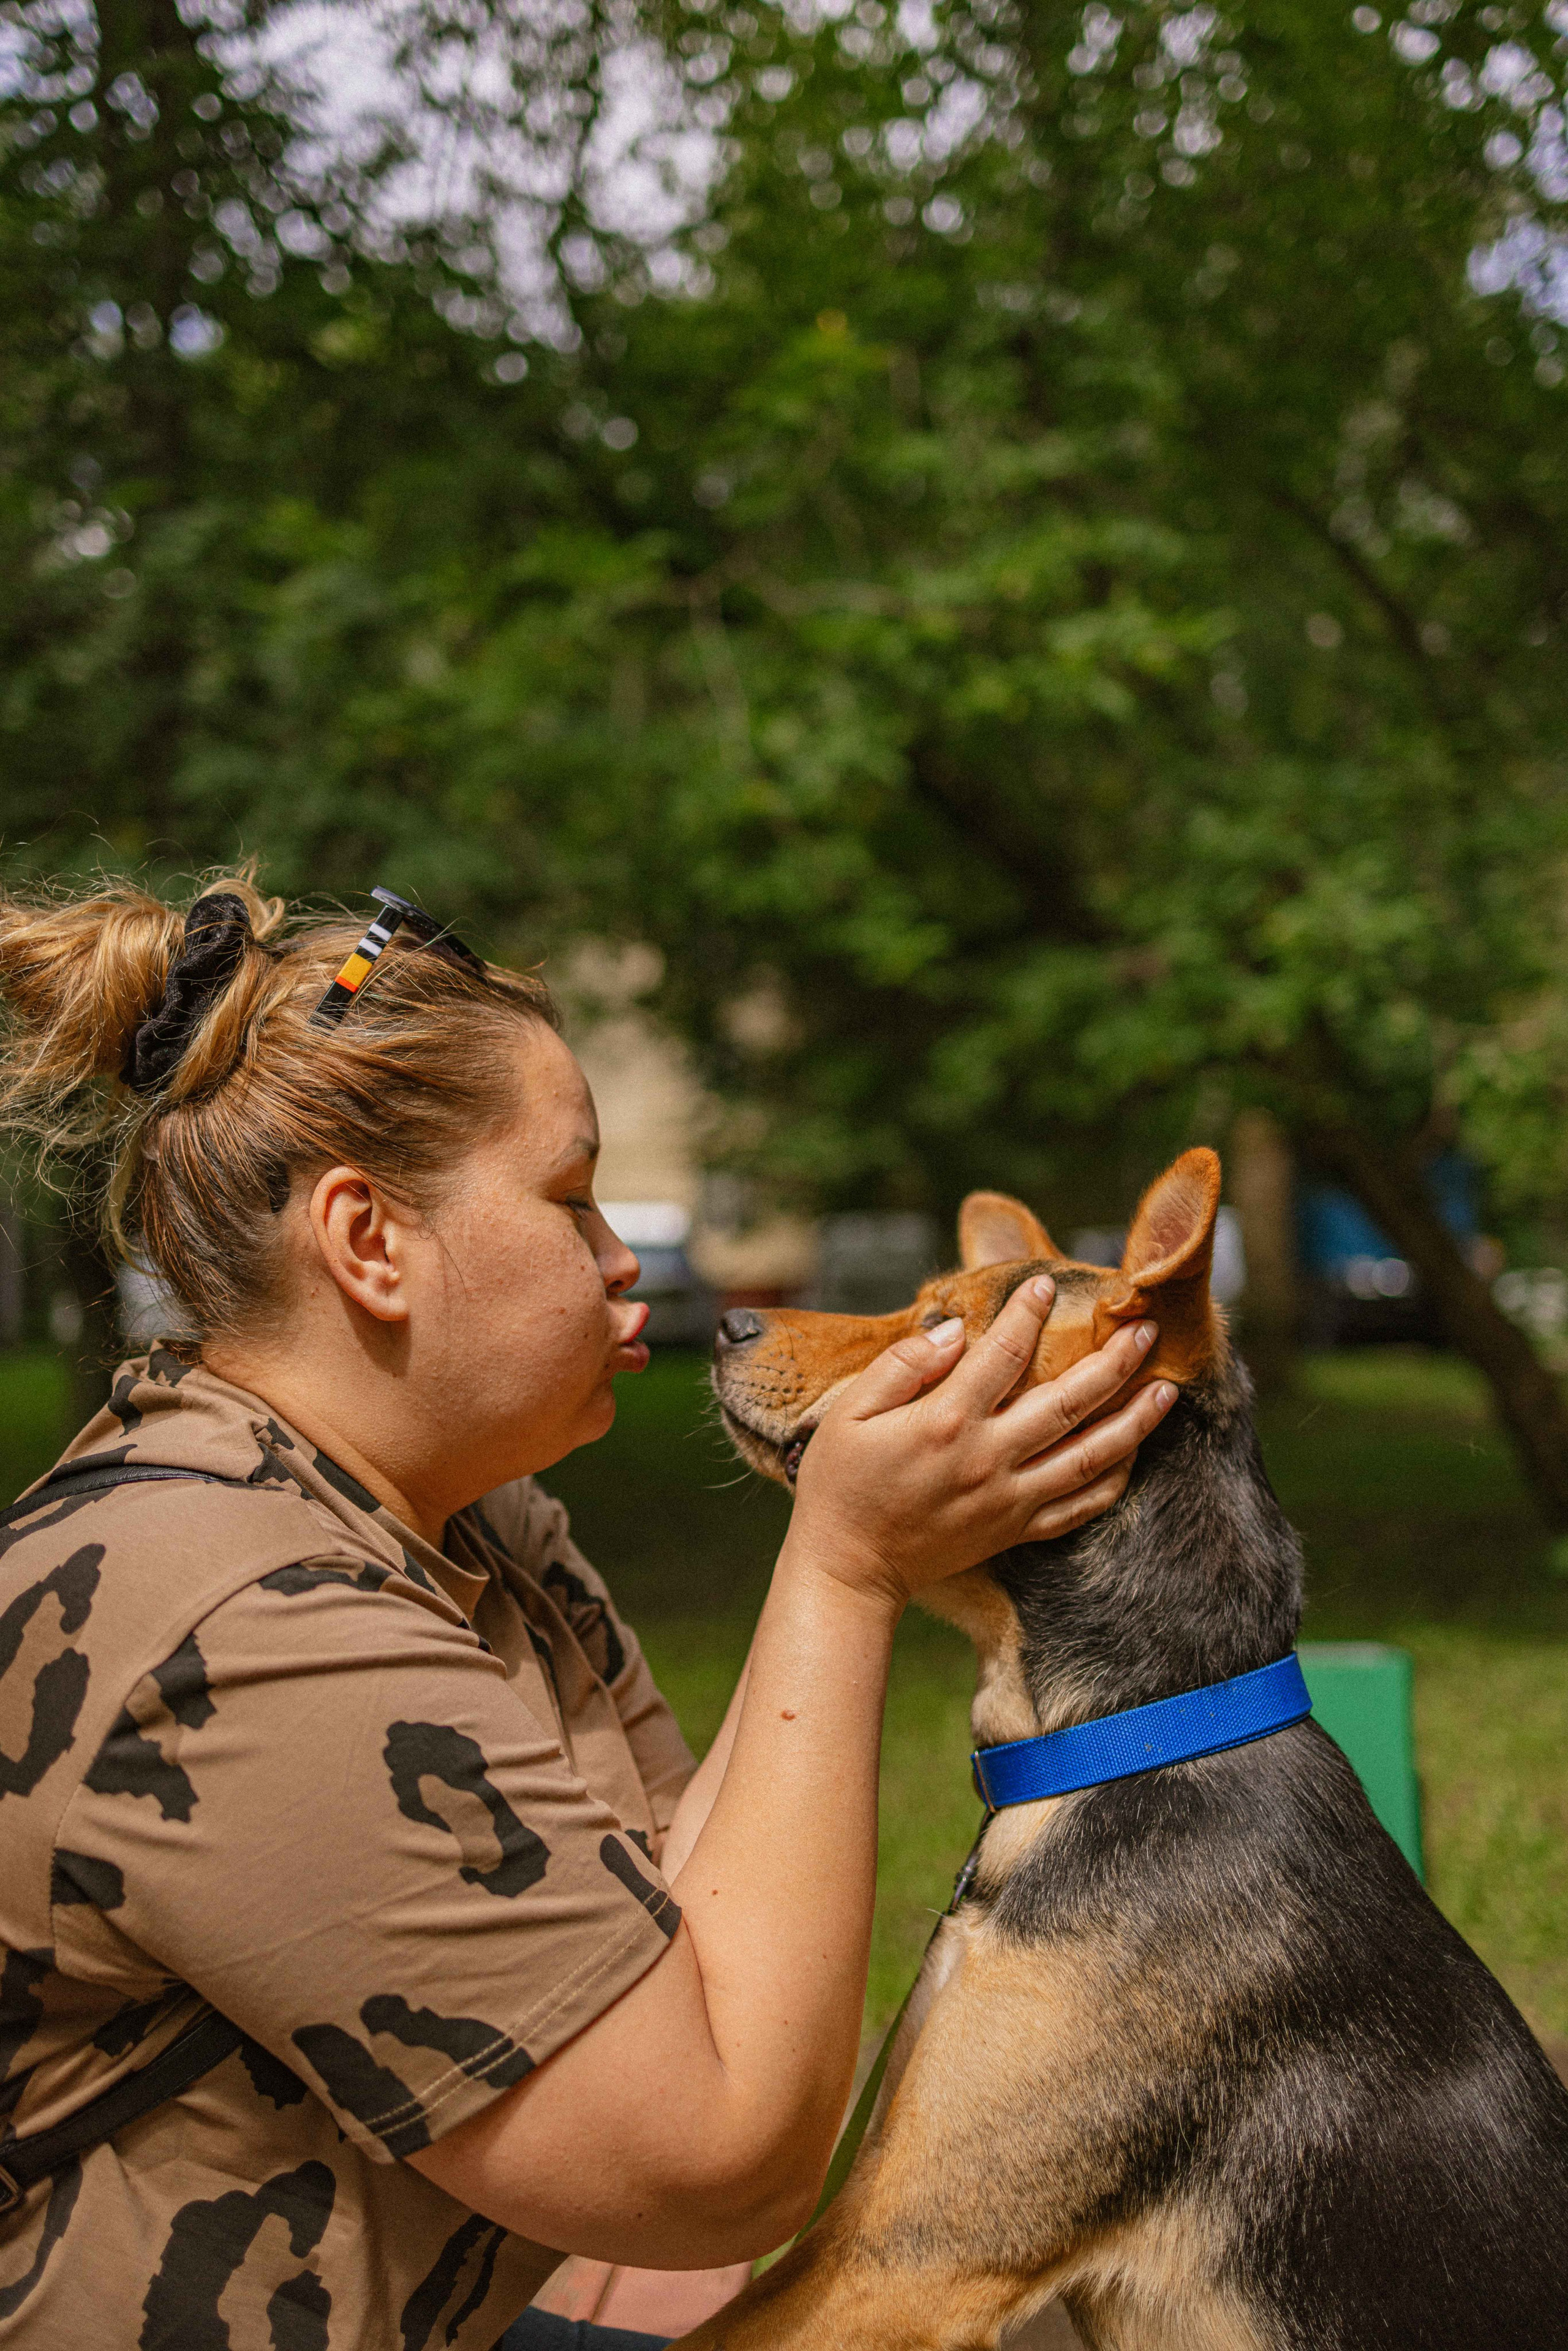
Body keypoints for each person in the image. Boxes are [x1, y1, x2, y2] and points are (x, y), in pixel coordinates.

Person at [0, 875, 1174, 2351]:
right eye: (569, 1198)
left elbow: (679, 1962)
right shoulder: (242, 1620)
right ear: (369, 1242)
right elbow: (714, 2161)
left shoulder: (474, 1526)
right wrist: (845, 1565)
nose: (624, 1259)